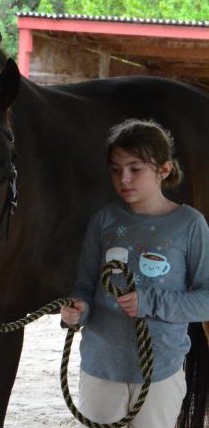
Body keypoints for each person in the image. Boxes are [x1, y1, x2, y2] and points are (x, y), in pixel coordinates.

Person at [61, 118, 209, 427]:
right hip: (100, 368)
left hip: (160, 373)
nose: (124, 178)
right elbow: (85, 285)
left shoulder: (190, 225)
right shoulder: (104, 221)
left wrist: (150, 302)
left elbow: (205, 299)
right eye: (116, 169)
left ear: (164, 169)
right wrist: (77, 310)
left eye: (135, 168)